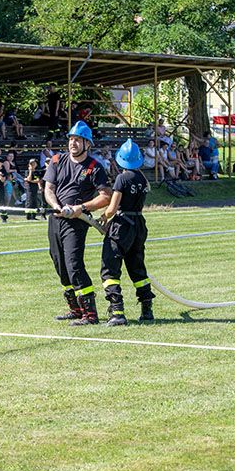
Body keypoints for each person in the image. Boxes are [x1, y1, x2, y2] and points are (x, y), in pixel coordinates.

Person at [44, 120, 111, 325]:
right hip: (56, 220)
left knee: (73, 264)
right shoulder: (57, 160)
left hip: (77, 222)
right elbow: (48, 189)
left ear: (87, 143)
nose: (73, 143)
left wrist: (80, 208)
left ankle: (90, 314)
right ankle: (75, 309)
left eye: (77, 140)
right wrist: (55, 205)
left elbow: (106, 197)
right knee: (60, 265)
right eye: (71, 139)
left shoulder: (94, 167)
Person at [98, 139, 155, 326]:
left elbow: (113, 208)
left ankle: (117, 312)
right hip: (139, 224)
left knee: (110, 268)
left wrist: (103, 217)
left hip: (122, 226)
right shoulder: (142, 178)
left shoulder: (122, 179)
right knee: (138, 268)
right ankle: (147, 310)